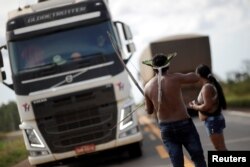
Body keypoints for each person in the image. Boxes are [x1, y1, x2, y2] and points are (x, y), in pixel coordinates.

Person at [143, 53, 207, 167]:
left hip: (166, 128)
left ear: (153, 68)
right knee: (198, 158)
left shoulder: (147, 87)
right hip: (184, 124)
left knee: (177, 163)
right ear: (168, 66)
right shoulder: (175, 78)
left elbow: (149, 111)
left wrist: (147, 100)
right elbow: (196, 77)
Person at [189, 64, 228, 151]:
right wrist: (197, 103)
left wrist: (195, 106)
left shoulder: (207, 87)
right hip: (213, 120)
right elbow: (208, 103)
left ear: (199, 75)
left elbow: (207, 106)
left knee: (219, 147)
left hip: (212, 121)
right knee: (221, 147)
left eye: (196, 74)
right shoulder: (209, 86)